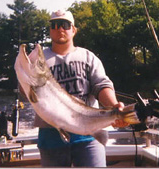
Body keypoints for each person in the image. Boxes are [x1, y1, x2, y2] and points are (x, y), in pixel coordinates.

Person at [34, 9, 131, 167]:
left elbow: (101, 85)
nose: (60, 29)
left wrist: (114, 107)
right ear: (50, 30)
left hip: (89, 138)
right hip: (51, 139)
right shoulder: (38, 60)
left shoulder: (88, 57)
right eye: (55, 25)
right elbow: (29, 93)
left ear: (74, 30)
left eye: (65, 24)